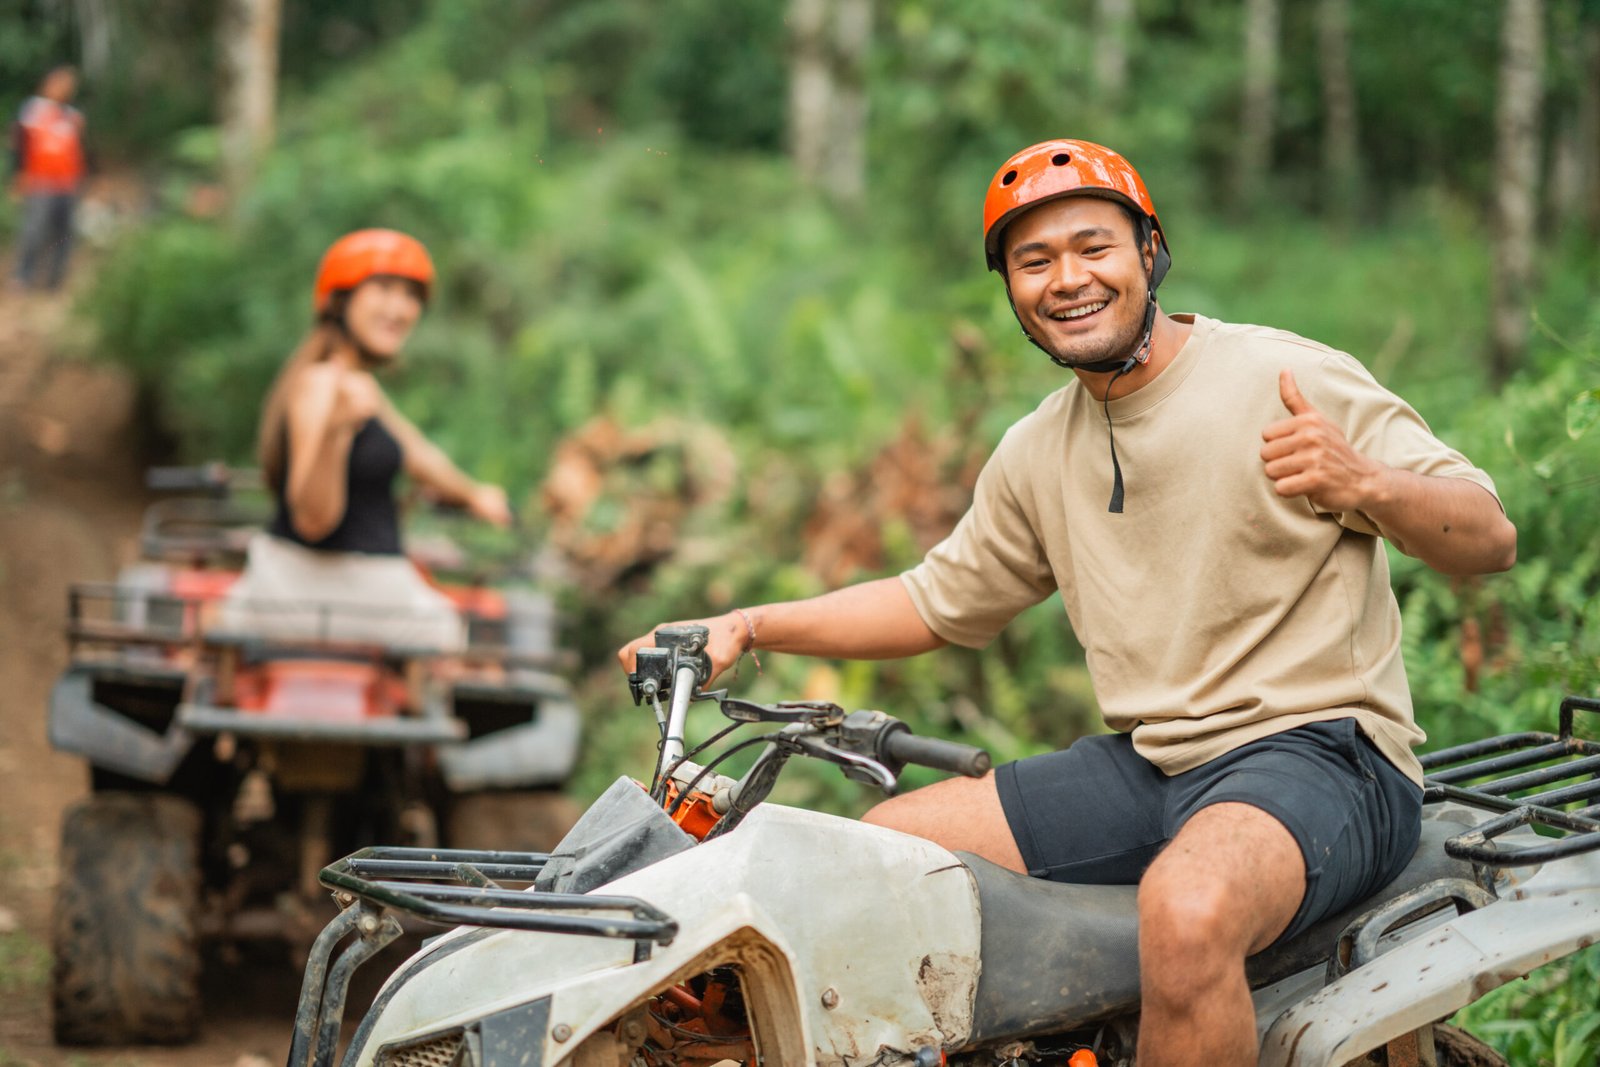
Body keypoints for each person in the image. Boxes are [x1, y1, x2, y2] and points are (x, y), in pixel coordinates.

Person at [618, 139, 1517, 1065]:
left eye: (1094, 247)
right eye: (1034, 261)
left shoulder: (1280, 379)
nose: (1068, 279)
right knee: (870, 861)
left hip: (1326, 754)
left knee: (1190, 908)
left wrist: (1365, 479)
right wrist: (751, 623)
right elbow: (935, 603)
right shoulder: (1039, 449)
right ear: (1010, 290)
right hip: (1155, 766)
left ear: (1150, 253)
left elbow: (1489, 534)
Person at [221, 228, 511, 651]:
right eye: (384, 289)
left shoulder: (355, 387)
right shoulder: (324, 385)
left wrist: (474, 493)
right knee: (467, 638)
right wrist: (335, 432)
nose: (401, 308)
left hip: (289, 587)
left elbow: (418, 456)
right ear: (340, 301)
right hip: (352, 598)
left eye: (412, 296)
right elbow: (312, 520)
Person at [9, 65, 87, 291]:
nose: (64, 88)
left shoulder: (73, 116)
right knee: (34, 230)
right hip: (40, 182)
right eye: (60, 82)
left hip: (68, 183)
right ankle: (23, 276)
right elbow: (20, 144)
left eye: (69, 85)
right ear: (48, 83)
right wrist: (19, 174)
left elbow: (80, 150)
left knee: (64, 233)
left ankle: (55, 279)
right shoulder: (32, 110)